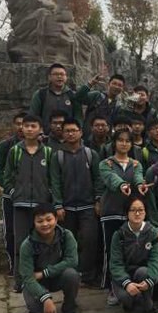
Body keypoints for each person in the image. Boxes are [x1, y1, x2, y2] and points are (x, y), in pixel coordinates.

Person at [50, 118, 103, 287]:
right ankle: (69, 275)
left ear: (81, 132)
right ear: (63, 133)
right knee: (67, 243)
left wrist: (98, 200)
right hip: (66, 208)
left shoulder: (90, 154)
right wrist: (58, 204)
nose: (71, 134)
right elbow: (55, 182)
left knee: (90, 240)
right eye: (67, 131)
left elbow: (98, 179)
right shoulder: (57, 156)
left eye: (74, 130)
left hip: (88, 206)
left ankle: (88, 275)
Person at [3, 114, 53, 291]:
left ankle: (41, 279)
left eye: (33, 126)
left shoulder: (47, 152)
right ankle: (20, 281)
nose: (30, 129)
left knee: (42, 243)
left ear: (40, 129)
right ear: (22, 129)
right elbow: (7, 177)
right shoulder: (15, 151)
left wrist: (48, 196)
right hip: (21, 206)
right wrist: (14, 194)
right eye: (27, 126)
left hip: (41, 207)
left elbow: (53, 178)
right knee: (21, 244)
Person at [99, 129, 147, 297]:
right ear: (114, 143)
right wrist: (122, 185)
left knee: (129, 250)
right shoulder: (106, 163)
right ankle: (111, 288)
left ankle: (128, 285)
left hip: (130, 214)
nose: (124, 144)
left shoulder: (136, 164)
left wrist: (140, 185)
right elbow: (110, 178)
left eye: (127, 141)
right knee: (111, 251)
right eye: (120, 140)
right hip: (110, 212)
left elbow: (138, 177)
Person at [19, 203, 80, 313]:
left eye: (49, 219)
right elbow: (27, 276)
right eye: (40, 221)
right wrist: (45, 298)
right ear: (34, 223)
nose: (45, 224)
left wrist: (45, 273)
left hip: (57, 276)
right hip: (37, 281)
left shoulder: (66, 236)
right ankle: (37, 309)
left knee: (72, 275)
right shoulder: (27, 245)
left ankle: (69, 309)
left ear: (56, 219)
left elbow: (72, 261)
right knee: (35, 305)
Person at [110, 197, 158, 313]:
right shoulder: (119, 235)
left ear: (145, 212)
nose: (137, 213)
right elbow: (116, 264)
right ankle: (133, 302)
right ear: (127, 213)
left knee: (143, 272)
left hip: (143, 275)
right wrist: (127, 283)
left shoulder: (152, 232)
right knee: (126, 298)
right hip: (125, 276)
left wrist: (150, 280)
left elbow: (156, 260)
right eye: (133, 210)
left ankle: (149, 306)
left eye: (140, 210)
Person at [0, 111, 25, 275]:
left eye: (25, 124)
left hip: (30, 197)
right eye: (18, 124)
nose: (21, 127)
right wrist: (9, 188)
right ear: (13, 125)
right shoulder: (5, 146)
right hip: (10, 197)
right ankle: (14, 265)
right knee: (11, 232)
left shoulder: (39, 147)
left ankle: (29, 265)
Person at [28, 63, 88, 134]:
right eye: (56, 74)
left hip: (68, 135)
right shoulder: (40, 94)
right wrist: (39, 132)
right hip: (46, 135)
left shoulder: (72, 95)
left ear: (66, 77)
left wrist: (77, 131)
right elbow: (33, 116)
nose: (59, 76)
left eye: (62, 74)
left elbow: (78, 117)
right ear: (49, 77)